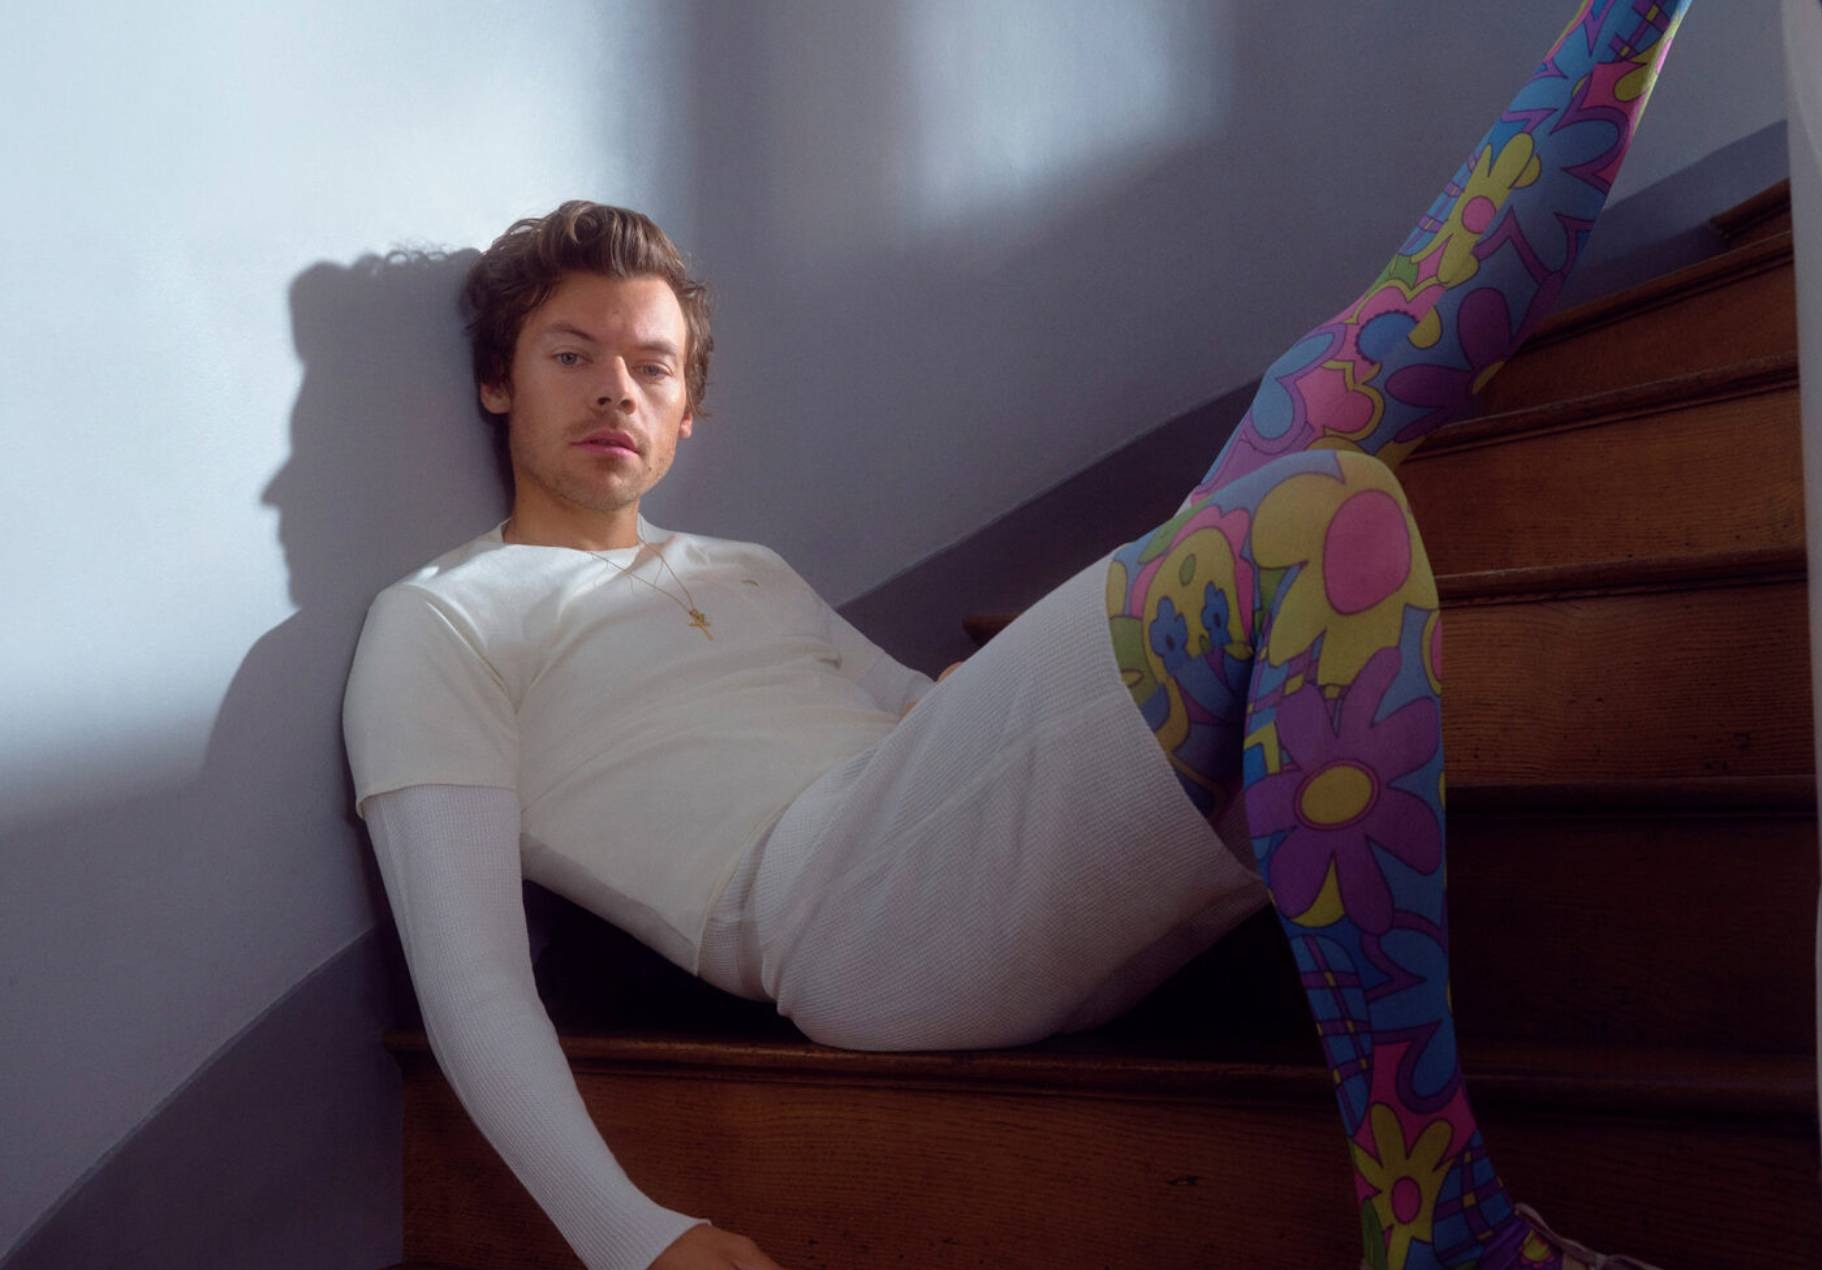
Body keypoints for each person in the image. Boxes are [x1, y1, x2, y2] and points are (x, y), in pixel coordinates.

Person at [342, 3, 1690, 1267]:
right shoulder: (441, 618)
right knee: (1310, 496)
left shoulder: (746, 571)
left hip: (955, 830)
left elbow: (925, 713)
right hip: (835, 919)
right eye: (571, 353)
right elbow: (472, 986)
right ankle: (1437, 1213)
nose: (614, 390)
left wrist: (1031, 667)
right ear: (497, 379)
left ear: (689, 414)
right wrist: (635, 1240)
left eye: (651, 366)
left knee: (1324, 453)